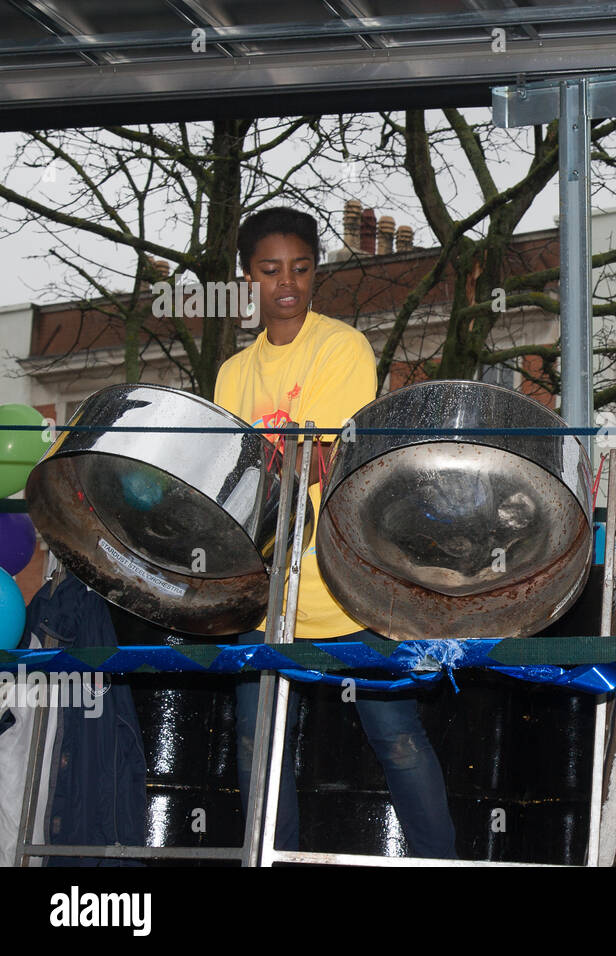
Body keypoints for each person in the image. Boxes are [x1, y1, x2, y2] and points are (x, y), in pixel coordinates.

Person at [215, 207, 456, 859]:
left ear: (315, 271)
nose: (286, 283)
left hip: (345, 583)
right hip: (264, 595)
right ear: (246, 278)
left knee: (397, 740)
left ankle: (441, 860)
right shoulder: (233, 375)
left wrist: (258, 467)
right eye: (269, 270)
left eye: (300, 267)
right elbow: (233, 484)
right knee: (256, 752)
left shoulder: (342, 348)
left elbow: (322, 459)